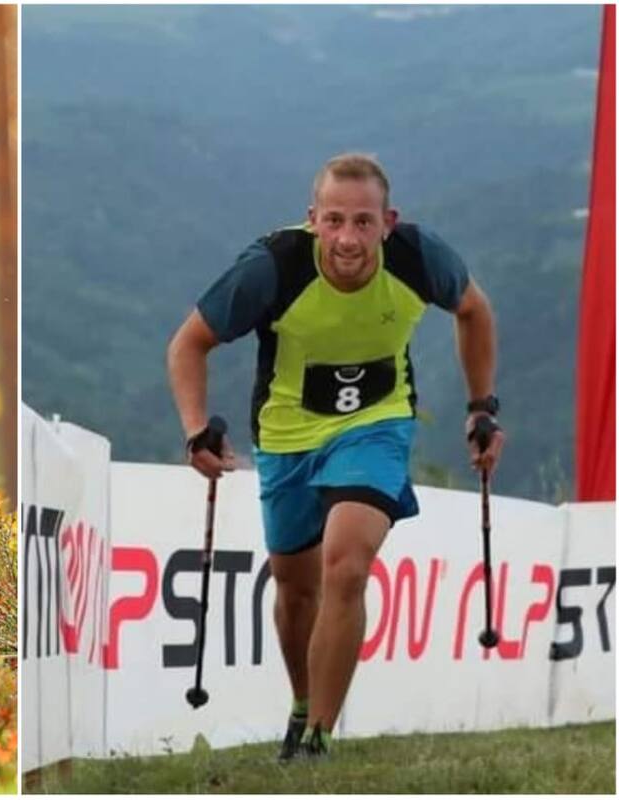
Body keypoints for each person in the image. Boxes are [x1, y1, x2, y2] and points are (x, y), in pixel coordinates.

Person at [166, 152, 504, 760]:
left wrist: (482, 407)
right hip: (287, 435)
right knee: (296, 591)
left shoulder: (419, 259)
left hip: (376, 426)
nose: (349, 238)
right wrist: (196, 430)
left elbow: (474, 312)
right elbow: (189, 344)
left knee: (347, 566)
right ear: (313, 219)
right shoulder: (273, 267)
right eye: (335, 221)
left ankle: (319, 736)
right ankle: (301, 706)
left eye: (364, 222)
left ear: (388, 222)